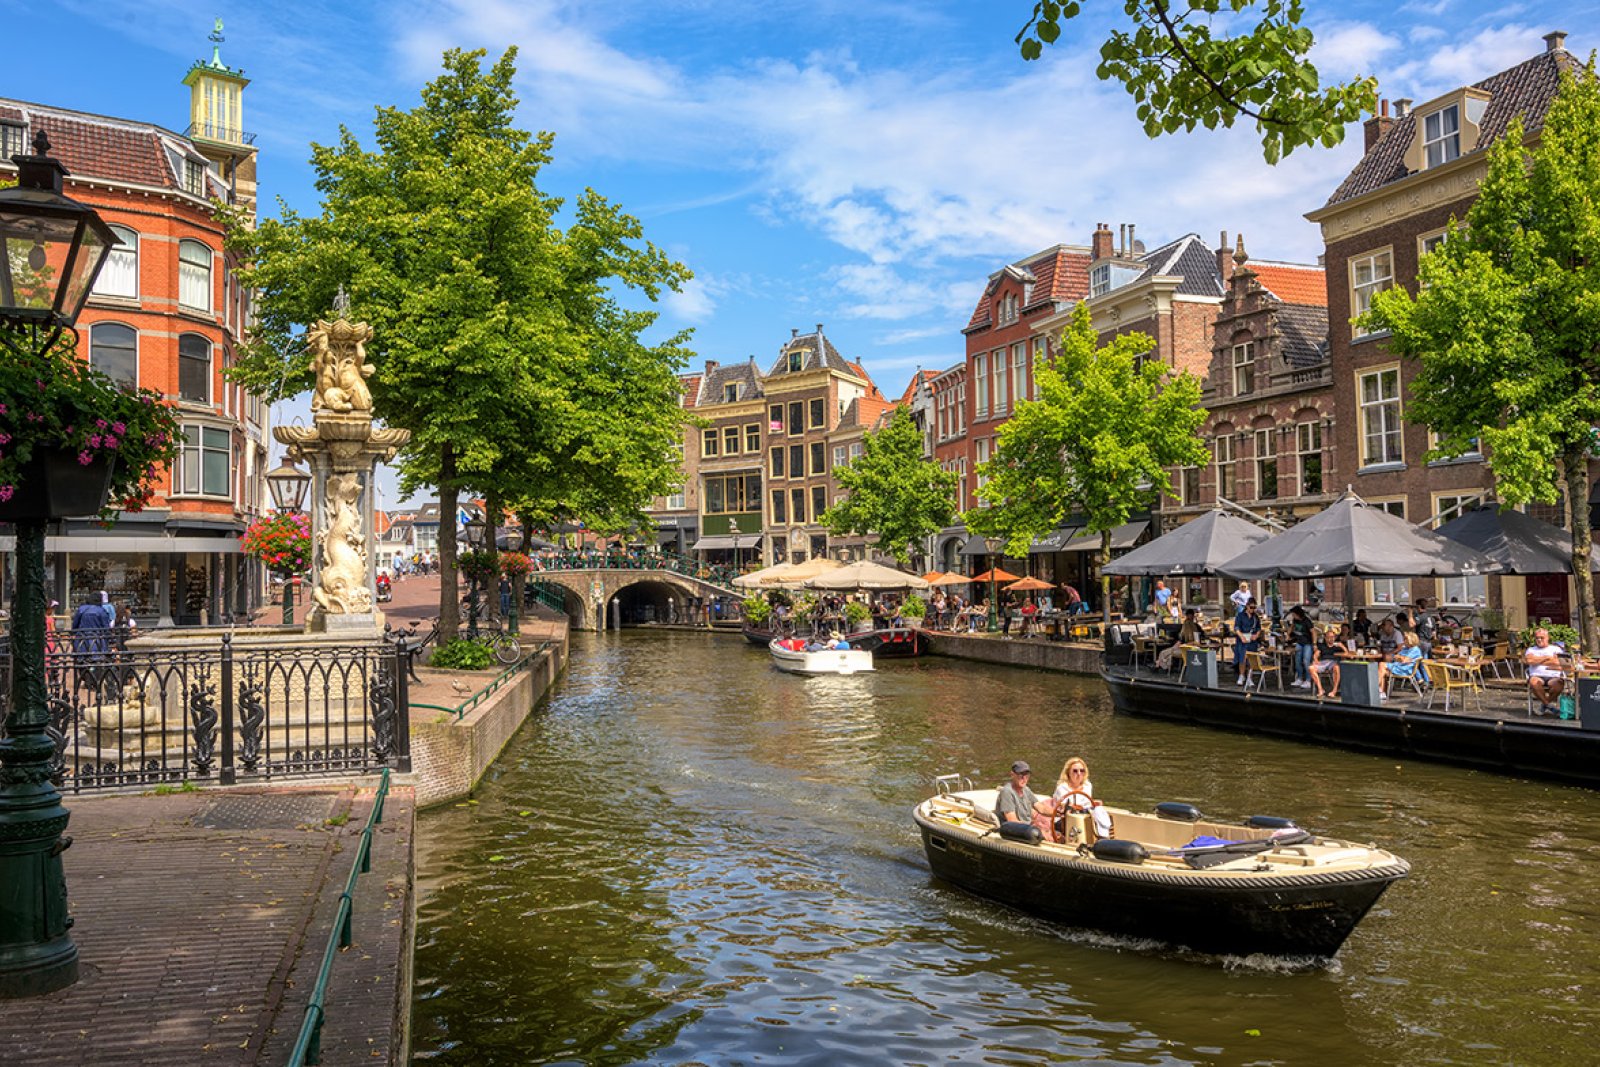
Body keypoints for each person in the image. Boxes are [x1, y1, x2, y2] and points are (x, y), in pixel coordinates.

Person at [1049, 756, 1114, 841]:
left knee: (1099, 810)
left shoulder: (1087, 786)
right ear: (1068, 772)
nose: (1079, 774)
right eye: (1075, 771)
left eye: (1082, 771)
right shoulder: (1062, 788)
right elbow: (1064, 807)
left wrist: (1094, 803)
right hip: (1064, 818)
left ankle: (1104, 837)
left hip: (1083, 813)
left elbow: (1087, 803)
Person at [1524, 627, 1570, 715]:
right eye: (1537, 638)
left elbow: (1557, 662)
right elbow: (1530, 661)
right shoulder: (1531, 649)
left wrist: (1537, 660)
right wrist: (1547, 657)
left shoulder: (1555, 649)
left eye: (1542, 637)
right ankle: (1548, 705)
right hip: (1537, 675)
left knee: (1559, 685)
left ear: (1547, 638)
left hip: (1553, 676)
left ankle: (1545, 704)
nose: (1539, 640)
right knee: (1533, 682)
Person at [994, 761, 1052, 829]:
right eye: (1021, 775)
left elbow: (1041, 808)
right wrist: (1035, 827)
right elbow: (1012, 821)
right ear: (1012, 774)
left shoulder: (1026, 790)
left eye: (1027, 775)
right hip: (1013, 830)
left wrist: (1058, 812)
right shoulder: (1007, 792)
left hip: (1027, 828)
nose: (1024, 779)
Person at [1378, 632, 1427, 701]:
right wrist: (1400, 657)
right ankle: (1381, 692)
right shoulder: (1405, 648)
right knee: (1383, 670)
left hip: (1405, 670)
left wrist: (1400, 658)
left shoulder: (1415, 649)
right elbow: (1396, 657)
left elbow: (1404, 660)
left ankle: (1379, 689)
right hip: (1398, 666)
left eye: (1405, 639)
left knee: (1381, 665)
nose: (1404, 641)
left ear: (1410, 640)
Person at [1310, 626, 1344, 699]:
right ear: (1325, 638)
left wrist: (1343, 646)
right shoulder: (1322, 646)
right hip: (1323, 662)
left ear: (1335, 637)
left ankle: (1334, 691)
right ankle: (1320, 690)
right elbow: (1316, 655)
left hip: (1333, 662)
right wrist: (1315, 660)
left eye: (1332, 637)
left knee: (1337, 668)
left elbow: (1347, 654)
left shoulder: (1337, 646)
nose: (1330, 639)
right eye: (1328, 637)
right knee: (1311, 668)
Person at [1234, 598, 1261, 683]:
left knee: (1251, 659)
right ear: (1247, 606)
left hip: (1252, 641)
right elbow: (1236, 627)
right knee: (1242, 659)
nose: (1253, 609)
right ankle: (1241, 676)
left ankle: (1249, 677)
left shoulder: (1255, 617)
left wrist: (1256, 635)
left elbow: (1259, 628)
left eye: (1254, 608)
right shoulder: (1240, 615)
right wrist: (1241, 636)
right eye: (1251, 607)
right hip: (1242, 640)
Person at [1288, 606, 1315, 689]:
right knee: (1297, 661)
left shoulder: (1307, 621)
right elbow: (1292, 627)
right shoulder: (1295, 620)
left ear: (1298, 614)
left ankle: (1308, 680)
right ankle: (1299, 678)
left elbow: (1313, 632)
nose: (1293, 616)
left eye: (1294, 614)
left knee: (1306, 661)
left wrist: (1314, 643)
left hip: (1307, 643)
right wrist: (1288, 634)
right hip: (1299, 643)